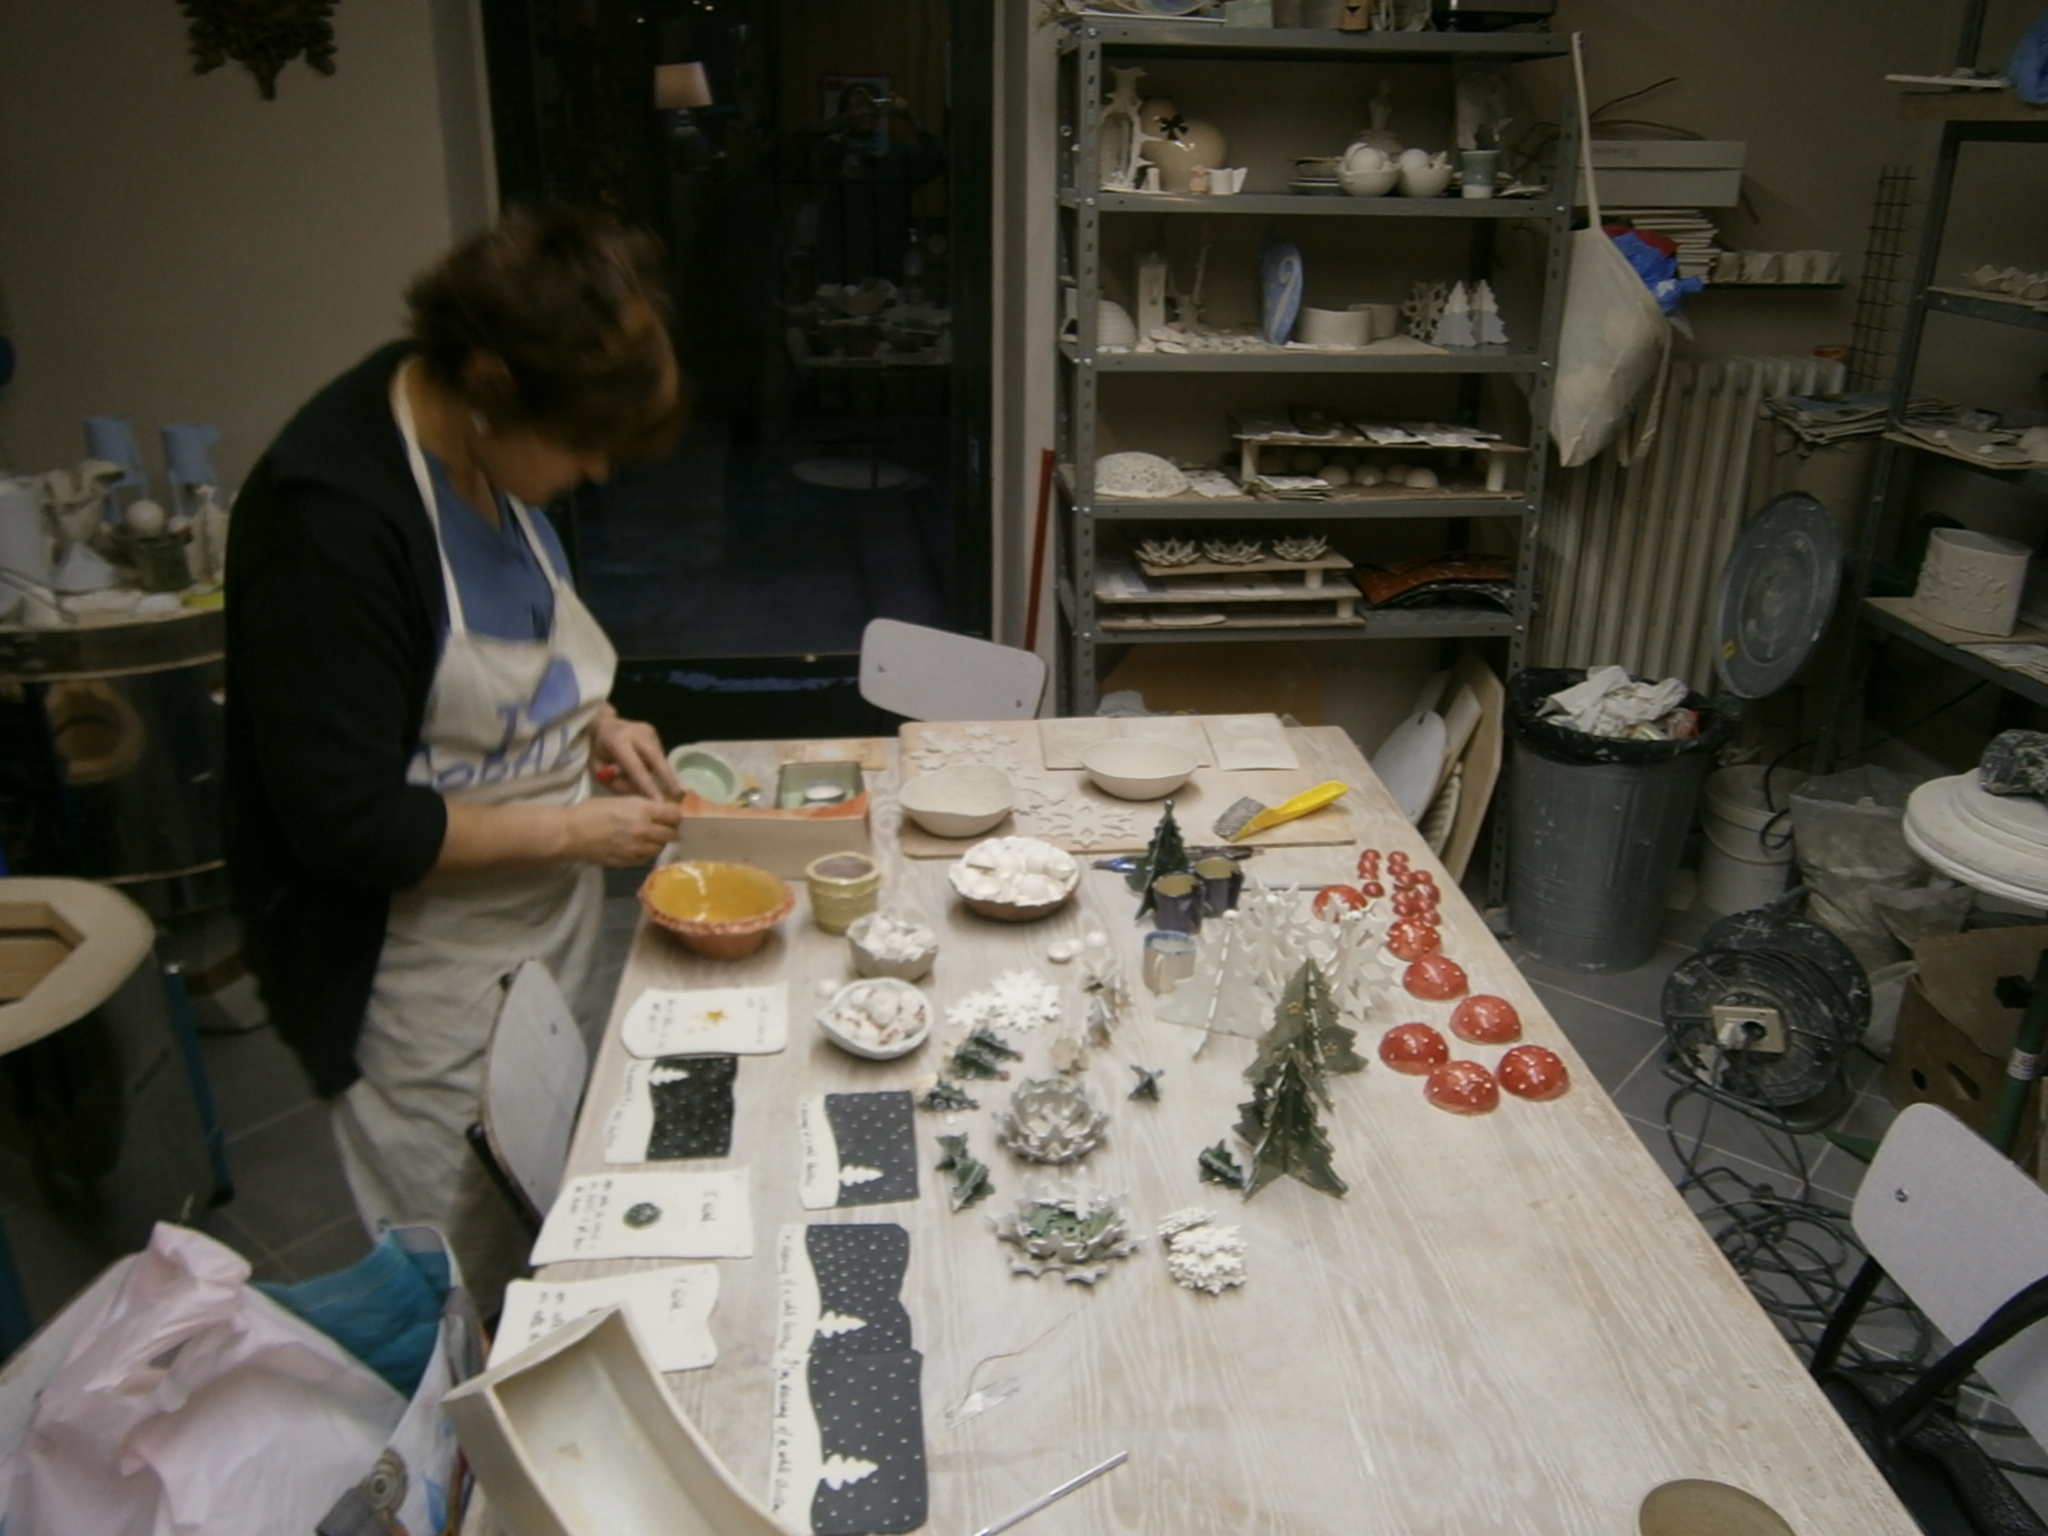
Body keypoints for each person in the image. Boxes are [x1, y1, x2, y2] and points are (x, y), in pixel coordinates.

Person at [224, 206, 687, 1305]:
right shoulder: (330, 520)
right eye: (581, 444)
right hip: (421, 978)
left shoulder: (484, 447)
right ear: (489, 381)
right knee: (472, 1273)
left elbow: (512, 636)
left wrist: (596, 718)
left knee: (550, 1199)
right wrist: (575, 829)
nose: (594, 469)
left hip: (541, 926)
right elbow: (348, 824)